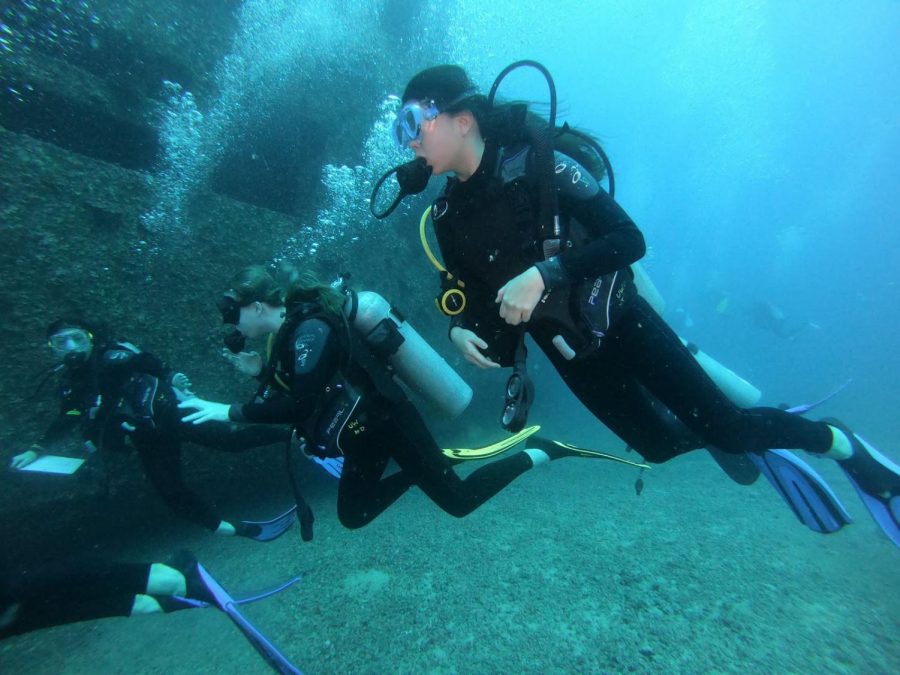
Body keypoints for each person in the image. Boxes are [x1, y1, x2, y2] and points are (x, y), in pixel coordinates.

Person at [385, 63, 900, 546]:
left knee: (731, 429)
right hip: (571, 354)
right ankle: (731, 423)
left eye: (414, 123)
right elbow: (484, 308)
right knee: (658, 447)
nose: (408, 142)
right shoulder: (447, 220)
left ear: (463, 119)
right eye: (400, 130)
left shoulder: (542, 167)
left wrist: (545, 274)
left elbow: (629, 240)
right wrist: (460, 328)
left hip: (622, 318)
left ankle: (839, 442)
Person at [178, 267, 604, 530]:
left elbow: (299, 405)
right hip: (360, 435)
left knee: (458, 502)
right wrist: (258, 372)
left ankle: (540, 452)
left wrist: (229, 410)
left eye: (233, 313)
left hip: (387, 421)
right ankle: (436, 462)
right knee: (353, 514)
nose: (232, 325)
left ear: (255, 306)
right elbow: (303, 390)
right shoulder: (282, 341)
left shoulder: (308, 329)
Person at [9, 319, 293, 540]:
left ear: (90, 339)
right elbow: (68, 416)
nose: (71, 347)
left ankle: (294, 433)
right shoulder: (70, 383)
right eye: (61, 342)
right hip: (145, 436)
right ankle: (233, 530)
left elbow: (142, 360)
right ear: (52, 348)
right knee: (170, 491)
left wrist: (170, 376)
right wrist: (37, 449)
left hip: (170, 415)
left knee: (232, 441)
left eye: (77, 338)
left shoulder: (109, 358)